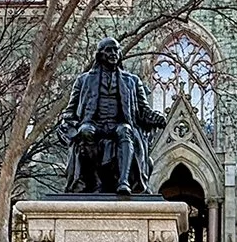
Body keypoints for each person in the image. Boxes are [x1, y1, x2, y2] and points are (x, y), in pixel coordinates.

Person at [61, 38, 166, 194]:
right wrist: (70, 124)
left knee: (125, 130)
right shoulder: (83, 81)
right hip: (94, 124)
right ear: (100, 55)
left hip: (119, 125)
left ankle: (123, 182)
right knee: (85, 130)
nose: (113, 54)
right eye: (109, 50)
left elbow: (144, 111)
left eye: (116, 50)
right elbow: (70, 111)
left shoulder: (132, 81)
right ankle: (95, 181)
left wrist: (157, 117)